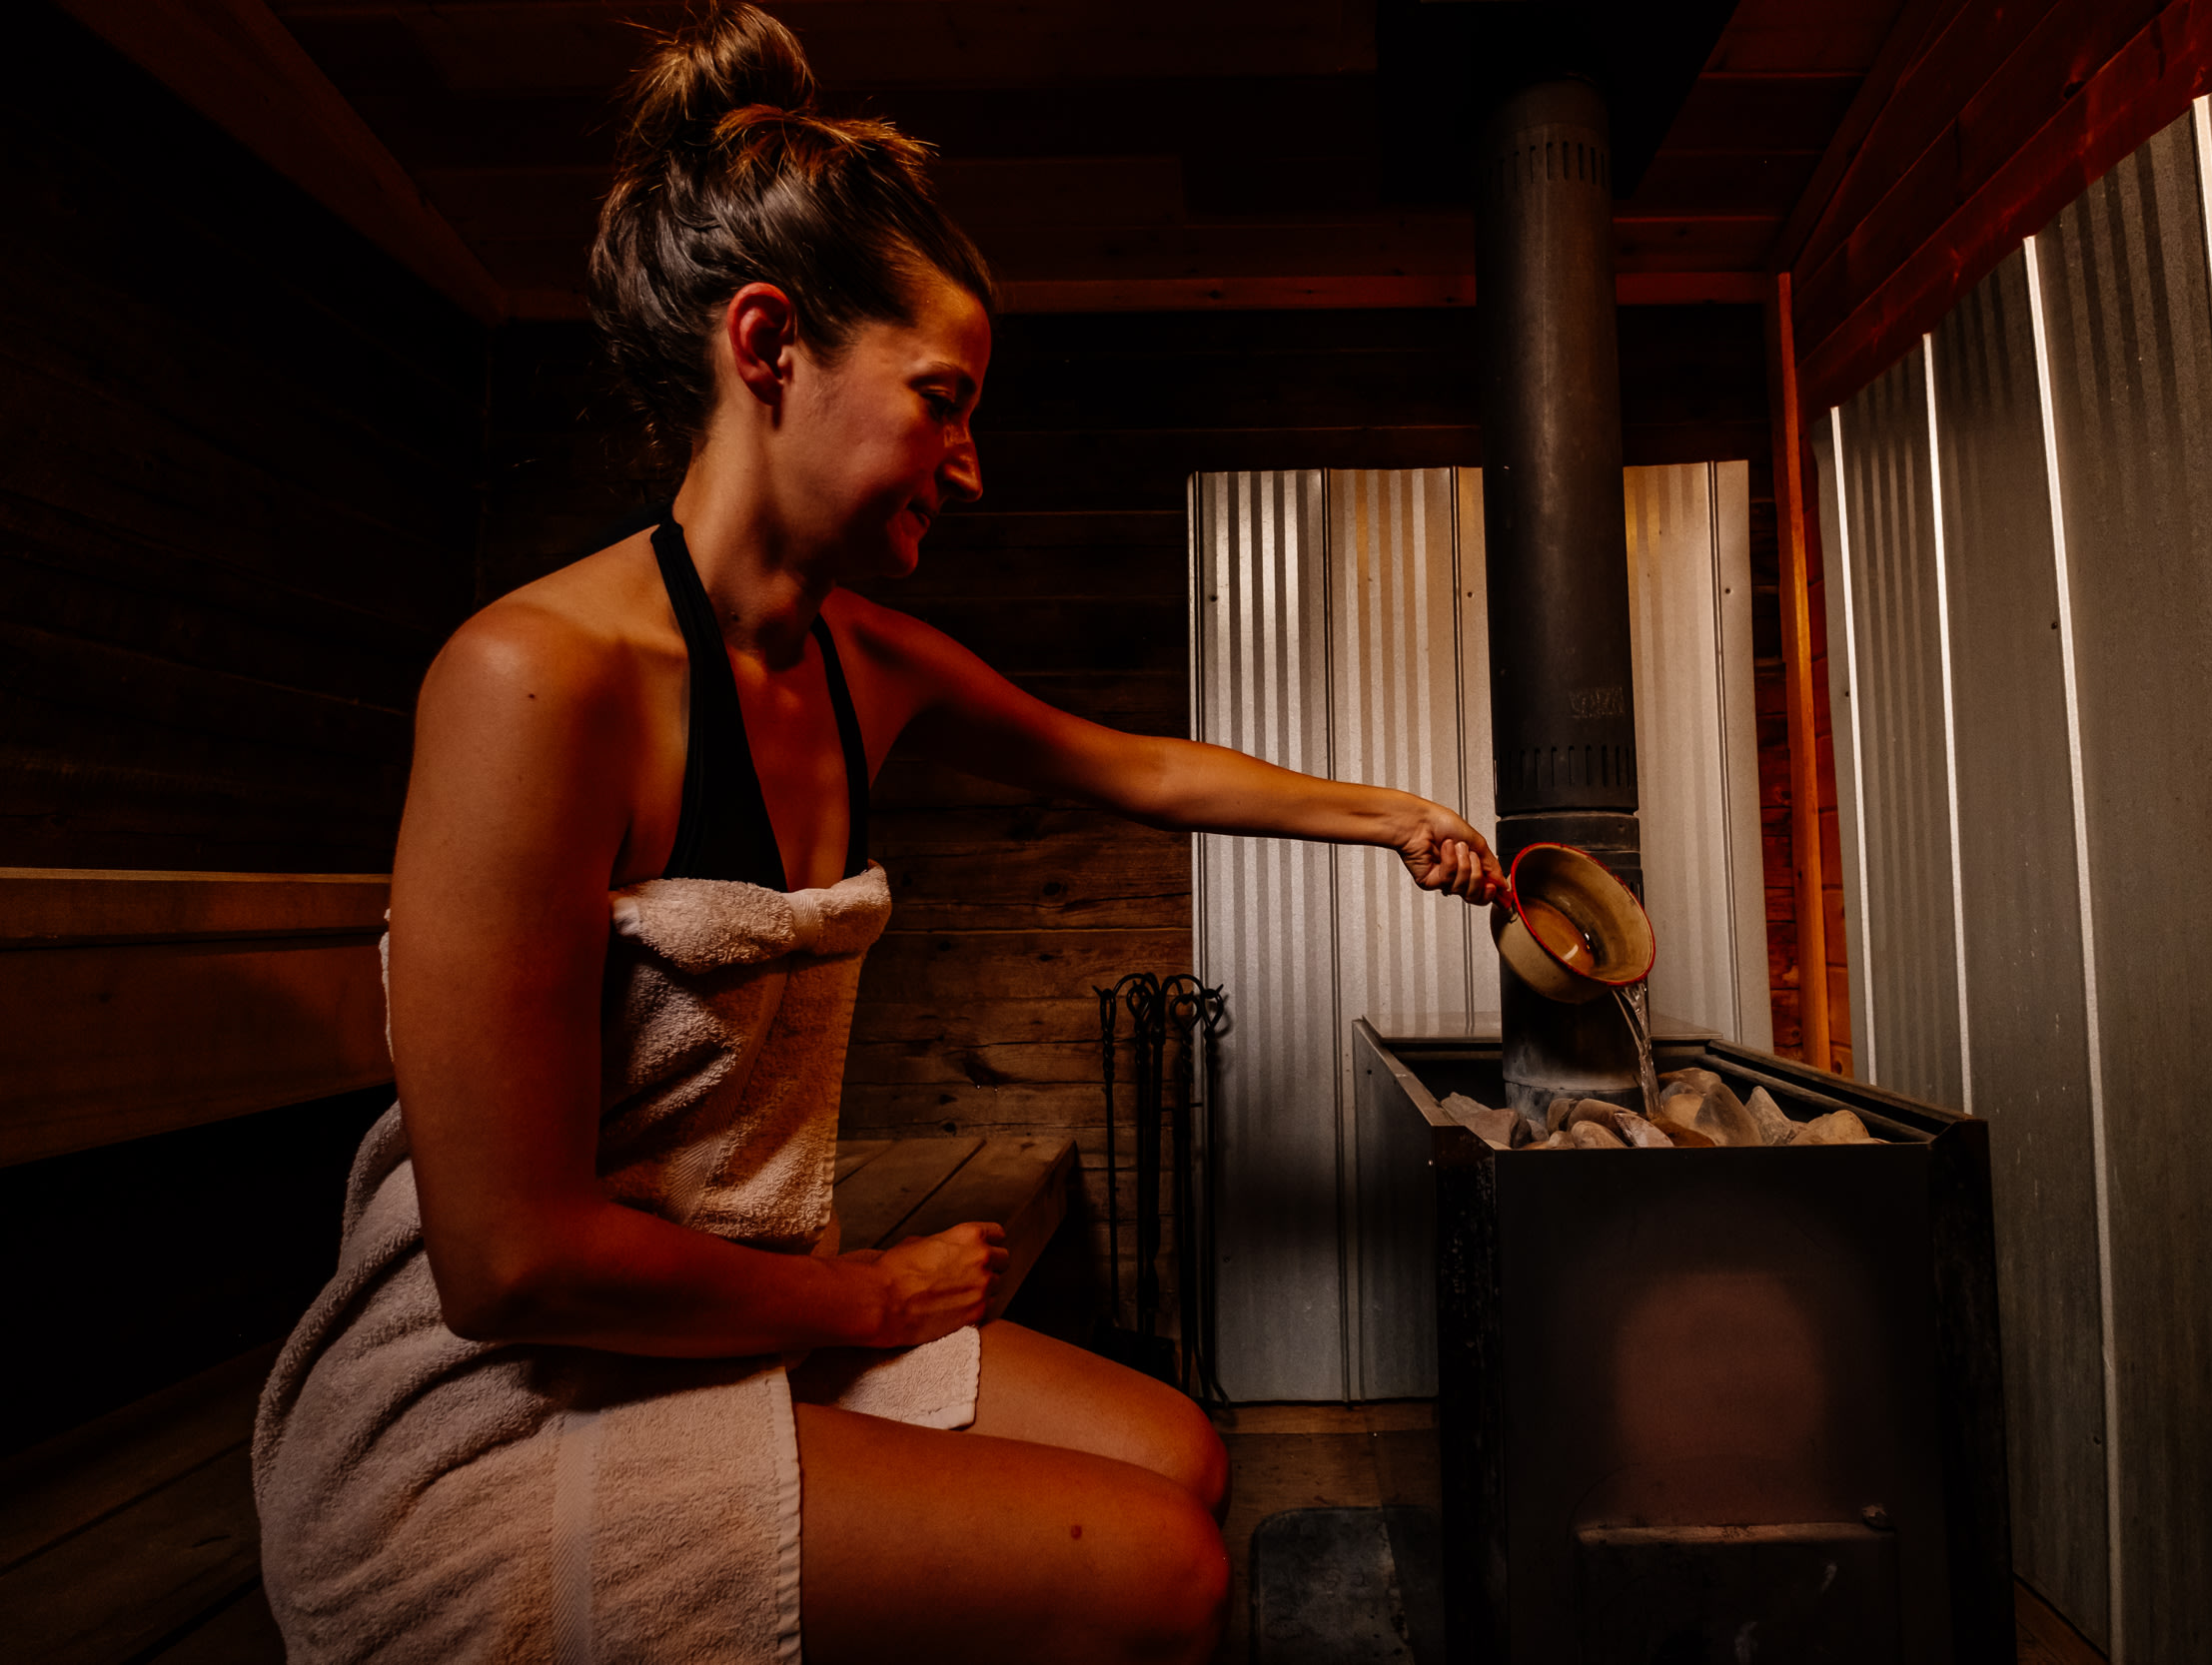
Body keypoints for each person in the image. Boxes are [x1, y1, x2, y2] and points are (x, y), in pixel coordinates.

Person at [251, 5, 1498, 1662]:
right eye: (942, 399)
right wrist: (864, 1295)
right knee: (1158, 1571)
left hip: (720, 1328)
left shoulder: (867, 664)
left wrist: (1400, 819)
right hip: (492, 1411)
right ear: (769, 347)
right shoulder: (534, 681)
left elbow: (1138, 768)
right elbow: (503, 1262)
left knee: (1186, 1454)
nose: (970, 466)